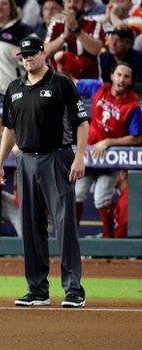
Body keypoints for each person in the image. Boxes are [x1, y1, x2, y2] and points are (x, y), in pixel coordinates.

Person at [0, 35, 89, 308]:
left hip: (58, 157)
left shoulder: (61, 84)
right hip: (25, 160)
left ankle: (74, 290)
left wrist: (80, 156)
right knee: (31, 225)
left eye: (32, 54)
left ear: (43, 53)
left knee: (64, 224)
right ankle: (37, 289)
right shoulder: (14, 88)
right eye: (23, 56)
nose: (27, 59)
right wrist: (0, 164)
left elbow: (83, 122)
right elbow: (9, 130)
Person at [74, 63, 141, 239]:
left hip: (111, 160)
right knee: (77, 194)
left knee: (101, 196)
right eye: (119, 75)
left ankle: (109, 241)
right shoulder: (99, 88)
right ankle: (70, 239)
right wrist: (60, 65)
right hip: (89, 155)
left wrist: (109, 142)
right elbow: (73, 84)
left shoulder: (133, 105)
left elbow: (137, 137)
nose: (121, 79)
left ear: (131, 81)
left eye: (126, 77)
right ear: (112, 76)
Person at [44, 0, 104, 79]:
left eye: (76, 1)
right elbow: (44, 52)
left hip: (88, 83)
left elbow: (95, 49)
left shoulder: (94, 23)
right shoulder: (56, 24)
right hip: (58, 83)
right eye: (69, 1)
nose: (72, 5)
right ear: (64, 4)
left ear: (83, 4)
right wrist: (64, 36)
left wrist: (76, 29)